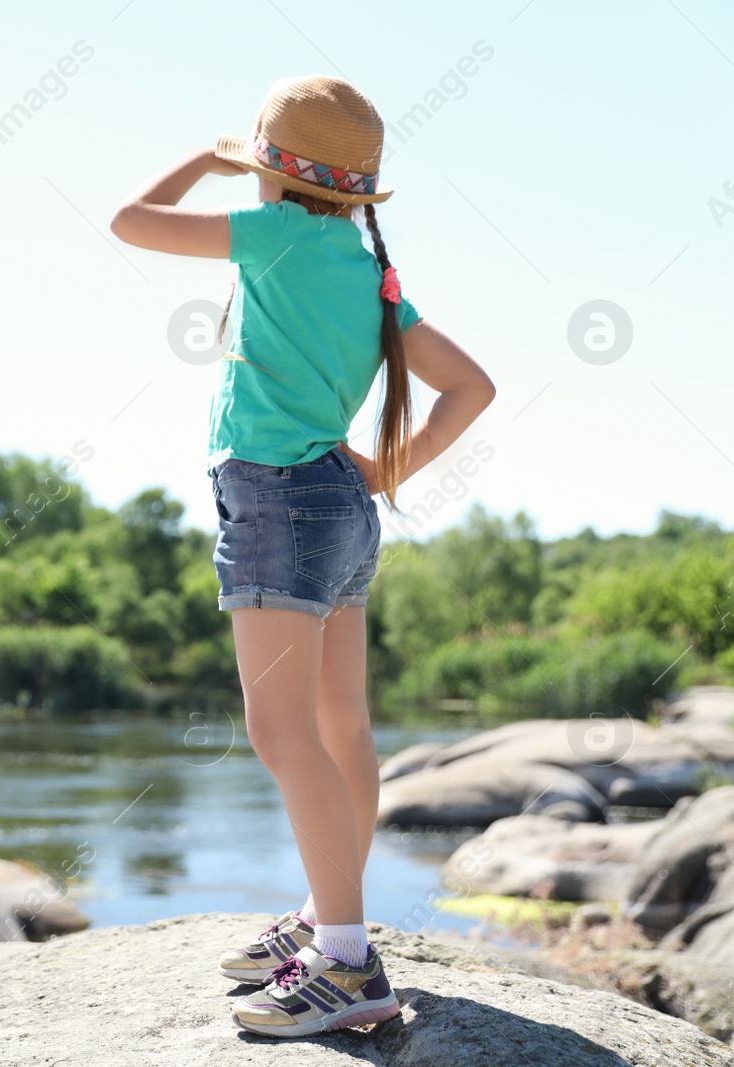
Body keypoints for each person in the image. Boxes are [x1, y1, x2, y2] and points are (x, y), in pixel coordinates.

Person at [110, 75, 495, 1037]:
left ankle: (347, 958)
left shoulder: (276, 237)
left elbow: (130, 221)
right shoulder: (369, 276)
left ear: (272, 175)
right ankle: (336, 921)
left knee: (282, 734)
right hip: (341, 502)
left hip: (279, 499)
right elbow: (472, 388)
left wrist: (208, 157)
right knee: (341, 728)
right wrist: (382, 465)